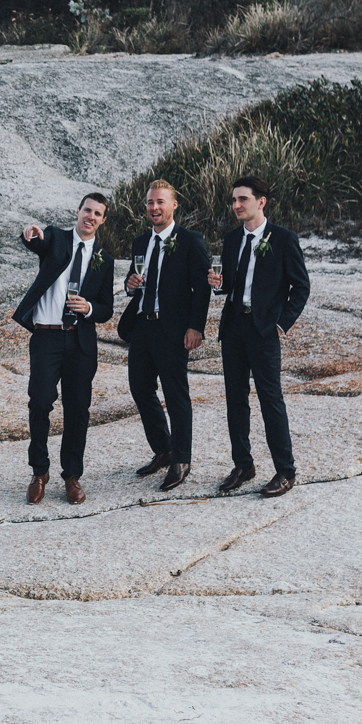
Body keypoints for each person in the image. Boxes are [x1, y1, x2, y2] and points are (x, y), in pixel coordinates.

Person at [207, 175, 310, 498]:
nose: (236, 205)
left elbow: (301, 286)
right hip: (234, 327)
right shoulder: (232, 239)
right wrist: (218, 283)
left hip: (265, 330)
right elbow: (230, 284)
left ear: (260, 202)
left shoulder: (283, 239)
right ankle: (243, 464)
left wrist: (281, 325)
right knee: (235, 399)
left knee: (271, 400)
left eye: (243, 200)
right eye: (234, 200)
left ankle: (285, 470)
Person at [12, 194, 116, 505]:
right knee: (40, 402)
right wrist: (30, 234)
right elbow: (36, 242)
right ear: (78, 211)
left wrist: (88, 308)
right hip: (47, 338)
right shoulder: (56, 237)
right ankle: (39, 471)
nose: (91, 217)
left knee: (78, 410)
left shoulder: (104, 259)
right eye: (87, 210)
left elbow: (106, 309)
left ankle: (72, 476)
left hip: (80, 341)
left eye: (98, 214)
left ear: (103, 220)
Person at [119, 180, 211, 492]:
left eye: (160, 202)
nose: (154, 208)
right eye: (149, 203)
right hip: (143, 325)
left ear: (173, 205)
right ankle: (163, 448)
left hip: (173, 329)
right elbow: (134, 283)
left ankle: (181, 459)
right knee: (139, 388)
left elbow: (202, 289)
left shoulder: (190, 241)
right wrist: (130, 285)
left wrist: (196, 327)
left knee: (175, 393)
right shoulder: (140, 242)